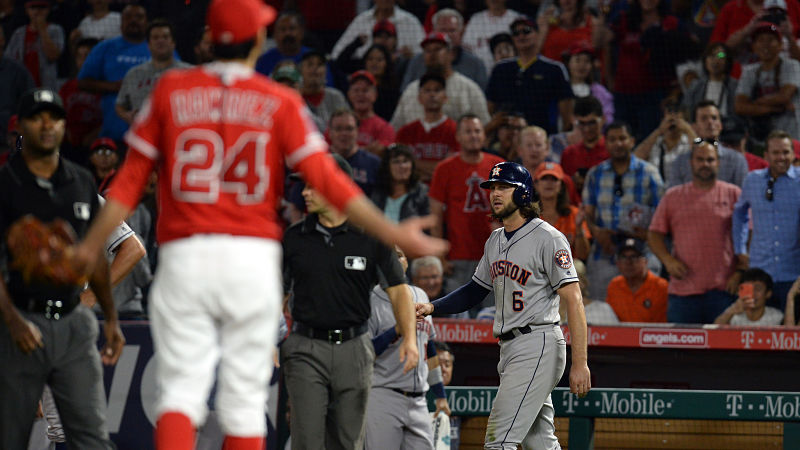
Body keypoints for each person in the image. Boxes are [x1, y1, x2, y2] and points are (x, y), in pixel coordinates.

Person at [68, 1, 447, 448]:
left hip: (187, 256)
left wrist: (90, 246)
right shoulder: (278, 100)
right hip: (250, 260)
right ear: (258, 42)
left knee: (180, 395)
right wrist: (392, 231)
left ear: (210, 38)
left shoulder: (171, 90)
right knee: (244, 402)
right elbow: (329, 179)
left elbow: (129, 182)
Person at [417, 161, 591, 449]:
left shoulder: (548, 238)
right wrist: (433, 307)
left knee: (498, 440)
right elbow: (474, 290)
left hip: (538, 342)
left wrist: (580, 363)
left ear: (522, 193)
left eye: (503, 188)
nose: (495, 194)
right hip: (511, 347)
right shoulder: (495, 239)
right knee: (540, 442)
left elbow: (574, 299)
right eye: (492, 188)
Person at [0, 88, 124, 449]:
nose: (46, 124)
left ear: (64, 125)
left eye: (53, 116)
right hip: (21, 322)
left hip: (73, 322)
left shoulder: (81, 180)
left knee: (93, 439)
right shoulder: (6, 185)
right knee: (11, 438)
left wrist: (111, 318)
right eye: (37, 117)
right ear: (20, 126)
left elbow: (97, 255)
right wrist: (12, 321)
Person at [282, 154, 419, 450]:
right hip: (305, 346)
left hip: (355, 348)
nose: (303, 193)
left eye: (311, 186)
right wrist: (269, 339)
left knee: (348, 442)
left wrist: (409, 338)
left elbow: (398, 290)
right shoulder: (294, 238)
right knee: (306, 440)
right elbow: (276, 294)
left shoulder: (371, 236)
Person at [649, 138, 743, 324]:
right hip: (683, 292)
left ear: (718, 163)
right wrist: (667, 260)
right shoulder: (673, 196)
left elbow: (748, 237)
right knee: (680, 351)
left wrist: (740, 271)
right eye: (700, 159)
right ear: (691, 162)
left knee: (723, 351)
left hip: (723, 290)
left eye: (710, 160)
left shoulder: (734, 194)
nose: (705, 164)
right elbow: (654, 234)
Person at [364, 246, 450, 450]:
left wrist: (440, 396)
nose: (396, 260)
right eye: (390, 256)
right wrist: (396, 330)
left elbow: (429, 351)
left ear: (406, 263)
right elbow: (365, 352)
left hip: (419, 398)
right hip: (383, 395)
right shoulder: (370, 301)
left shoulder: (421, 295)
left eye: (401, 255)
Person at [583, 122, 664, 300]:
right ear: (606, 143)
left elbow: (663, 214)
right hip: (604, 253)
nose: (618, 143)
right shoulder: (595, 174)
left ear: (632, 141)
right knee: (601, 313)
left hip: (643, 252)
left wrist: (648, 234)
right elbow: (587, 214)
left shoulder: (650, 173)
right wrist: (596, 231)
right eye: (612, 139)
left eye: (622, 138)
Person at [429, 115, 505, 294]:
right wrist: (440, 256)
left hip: (495, 256)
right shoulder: (444, 169)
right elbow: (435, 216)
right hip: (457, 257)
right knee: (459, 315)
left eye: (477, 131)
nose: (474, 136)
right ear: (458, 137)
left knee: (493, 315)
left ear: (484, 135)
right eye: (468, 131)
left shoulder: (499, 165)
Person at [733, 130, 800, 310]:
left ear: (793, 155)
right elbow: (739, 213)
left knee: (791, 333)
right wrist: (739, 249)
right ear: (766, 155)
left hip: (794, 275)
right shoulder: (752, 180)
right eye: (776, 152)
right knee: (754, 328)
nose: (781, 157)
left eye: (785, 152)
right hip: (758, 275)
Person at [486, 17, 574, 135]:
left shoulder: (554, 69)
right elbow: (490, 109)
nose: (521, 36)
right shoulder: (500, 69)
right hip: (506, 139)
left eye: (526, 31)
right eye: (516, 33)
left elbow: (567, 117)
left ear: (537, 34)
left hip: (542, 139)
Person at [77, 4, 149, 143]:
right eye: (128, 17)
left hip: (150, 136)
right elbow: (83, 82)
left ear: (146, 22)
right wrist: (114, 87)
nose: (133, 20)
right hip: (113, 133)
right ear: (120, 22)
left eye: (139, 17)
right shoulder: (104, 48)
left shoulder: (158, 48)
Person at [391, 32, 490, 130]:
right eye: (428, 50)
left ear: (451, 54)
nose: (432, 54)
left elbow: (484, 126)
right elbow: (396, 128)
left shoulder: (469, 88)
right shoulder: (411, 90)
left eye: (438, 49)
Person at [115, 19, 191, 125]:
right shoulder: (134, 74)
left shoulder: (189, 73)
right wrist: (127, 116)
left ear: (173, 43)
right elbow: (120, 104)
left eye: (165, 37)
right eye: (155, 38)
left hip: (177, 132)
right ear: (148, 44)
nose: (160, 41)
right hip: (143, 135)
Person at [734, 22, 800, 144]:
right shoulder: (749, 71)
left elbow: (784, 97)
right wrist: (773, 108)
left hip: (793, 137)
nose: (765, 44)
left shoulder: (792, 66)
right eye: (760, 40)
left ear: (780, 45)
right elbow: (740, 106)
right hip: (761, 140)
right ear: (753, 46)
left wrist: (755, 103)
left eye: (770, 40)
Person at [401, 8, 487, 91]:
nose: (447, 35)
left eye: (452, 30)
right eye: (443, 30)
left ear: (461, 32)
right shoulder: (417, 61)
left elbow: (482, 97)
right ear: (434, 31)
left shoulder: (476, 64)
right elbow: (406, 92)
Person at [667, 100, 749, 188]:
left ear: (720, 125)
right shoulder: (680, 163)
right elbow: (673, 197)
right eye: (704, 118)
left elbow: (744, 196)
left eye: (714, 118)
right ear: (694, 127)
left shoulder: (737, 160)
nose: (710, 122)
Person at [395, 71, 458, 183]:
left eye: (437, 90)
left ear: (445, 97)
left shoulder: (456, 131)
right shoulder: (405, 132)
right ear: (419, 98)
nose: (432, 95)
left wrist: (413, 163)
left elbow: (452, 170)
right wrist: (435, 169)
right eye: (427, 90)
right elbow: (398, 171)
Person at [254, 11, 334, 87]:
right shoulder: (264, 61)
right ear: (275, 34)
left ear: (302, 32)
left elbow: (327, 88)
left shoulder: (315, 59)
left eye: (292, 28)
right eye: (283, 29)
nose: (287, 33)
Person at [331, 0, 425, 60]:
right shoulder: (361, 20)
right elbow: (336, 54)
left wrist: (411, 57)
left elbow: (423, 56)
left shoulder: (410, 21)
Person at [534, 161, 590, 260]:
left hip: (566, 269)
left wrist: (578, 227)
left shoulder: (575, 214)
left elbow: (583, 255)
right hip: (535, 267)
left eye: (554, 179)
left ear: (561, 186)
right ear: (536, 185)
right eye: (544, 178)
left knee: (578, 267)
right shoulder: (525, 215)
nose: (549, 183)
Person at [606, 238, 669, 323]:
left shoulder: (661, 286)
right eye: (624, 257)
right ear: (618, 263)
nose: (629, 262)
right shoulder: (614, 285)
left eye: (634, 257)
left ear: (645, 261)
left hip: (651, 335)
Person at [633, 99, 696, 183]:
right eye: (669, 120)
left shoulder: (691, 141)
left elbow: (703, 149)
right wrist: (658, 131)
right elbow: (634, 159)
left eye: (678, 120)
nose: (673, 124)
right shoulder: (653, 142)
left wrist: (688, 130)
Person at [5, 0, 63, 90]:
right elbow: (8, 59)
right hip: (23, 86)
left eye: (41, 8)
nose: (37, 12)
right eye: (33, 8)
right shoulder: (19, 33)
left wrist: (42, 30)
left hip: (46, 85)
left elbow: (53, 55)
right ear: (27, 10)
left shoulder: (55, 30)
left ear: (48, 10)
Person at [370, 143, 430, 222]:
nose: (402, 166)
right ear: (387, 167)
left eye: (406, 161)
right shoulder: (377, 193)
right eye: (396, 162)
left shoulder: (423, 193)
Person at [328, 109, 381, 196]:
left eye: (349, 129)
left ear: (357, 131)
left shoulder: (374, 164)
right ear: (330, 133)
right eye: (338, 129)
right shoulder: (317, 163)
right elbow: (298, 204)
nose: (344, 133)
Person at [681, 42, 738, 119]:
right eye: (711, 55)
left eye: (721, 56)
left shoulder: (736, 86)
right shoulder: (695, 86)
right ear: (705, 60)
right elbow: (685, 111)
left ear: (728, 61)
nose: (715, 60)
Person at [461, 0, 522, 71]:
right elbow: (466, 49)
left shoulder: (516, 19)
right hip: (480, 74)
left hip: (510, 73)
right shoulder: (476, 19)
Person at [346, 70, 395, 155]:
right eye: (356, 90)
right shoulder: (338, 124)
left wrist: (345, 150)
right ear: (349, 94)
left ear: (375, 95)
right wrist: (368, 149)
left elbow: (383, 153)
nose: (360, 94)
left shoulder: (384, 128)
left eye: (365, 90)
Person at [0, 29, 35, 147]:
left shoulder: (18, 72)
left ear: (2, 41)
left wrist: (19, 147)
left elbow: (30, 112)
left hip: (8, 146)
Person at [560, 96, 610, 179]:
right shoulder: (568, 154)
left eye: (592, 123)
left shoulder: (613, 151)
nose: (587, 129)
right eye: (582, 123)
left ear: (603, 119)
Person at [564, 42, 614, 124]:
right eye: (577, 60)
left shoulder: (600, 92)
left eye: (587, 61)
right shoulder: (559, 89)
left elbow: (608, 117)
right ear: (568, 63)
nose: (582, 65)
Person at [298, 50, 348, 132]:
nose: (315, 68)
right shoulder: (294, 98)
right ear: (301, 70)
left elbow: (346, 127)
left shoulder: (336, 97)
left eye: (320, 64)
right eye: (310, 64)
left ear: (325, 71)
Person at [714, 268, 784, 325]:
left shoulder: (776, 317)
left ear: (768, 293)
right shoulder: (733, 314)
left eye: (757, 289)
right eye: (748, 289)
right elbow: (715, 331)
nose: (752, 294)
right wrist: (732, 311)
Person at [560, 259, 620, 325]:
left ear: (583, 283)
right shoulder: (551, 311)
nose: (567, 284)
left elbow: (616, 334)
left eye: (571, 279)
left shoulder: (603, 310)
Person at [362, 44, 401, 122]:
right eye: (370, 59)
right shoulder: (359, 90)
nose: (374, 63)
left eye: (379, 59)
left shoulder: (394, 92)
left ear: (386, 63)